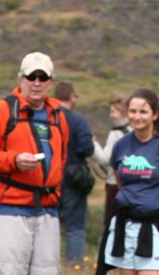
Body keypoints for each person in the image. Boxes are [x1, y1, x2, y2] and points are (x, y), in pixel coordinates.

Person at [0, 52, 70, 275]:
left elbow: (62, 159)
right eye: (31, 76)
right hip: (9, 211)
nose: (36, 83)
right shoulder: (2, 110)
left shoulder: (58, 116)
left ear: (51, 82)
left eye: (43, 77)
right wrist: (13, 160)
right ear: (20, 79)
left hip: (47, 212)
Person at [96, 88, 159, 275]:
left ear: (155, 114)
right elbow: (121, 184)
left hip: (156, 229)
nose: (137, 117)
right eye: (132, 111)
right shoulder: (121, 145)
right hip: (125, 226)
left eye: (143, 112)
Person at [55, 81, 96, 265]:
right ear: (71, 96)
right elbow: (87, 149)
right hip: (74, 179)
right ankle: (74, 267)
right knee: (75, 228)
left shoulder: (47, 117)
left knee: (49, 225)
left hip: (48, 179)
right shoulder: (78, 121)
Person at [91, 96, 131, 229]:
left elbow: (104, 159)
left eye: (113, 111)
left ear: (122, 112)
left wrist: (93, 144)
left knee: (111, 223)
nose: (110, 115)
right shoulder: (134, 130)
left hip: (114, 184)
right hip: (131, 183)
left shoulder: (116, 133)